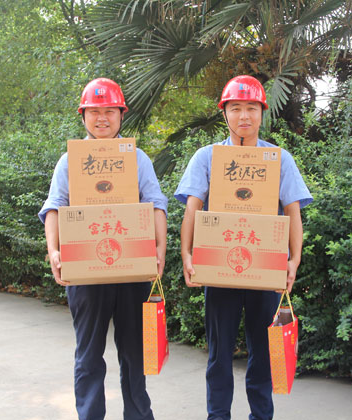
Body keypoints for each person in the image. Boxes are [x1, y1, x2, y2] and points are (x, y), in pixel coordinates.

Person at [174, 75, 313, 420]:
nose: (244, 116)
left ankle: (261, 416)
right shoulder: (207, 157)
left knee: (263, 353)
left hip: (266, 269)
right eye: (235, 108)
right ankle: (218, 415)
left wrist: (294, 260)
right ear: (224, 113)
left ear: (262, 112)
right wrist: (187, 254)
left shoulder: (278, 159)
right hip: (219, 268)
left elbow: (293, 211)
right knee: (219, 354)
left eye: (251, 108)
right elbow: (192, 208)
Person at [38, 78, 167, 420]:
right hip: (86, 271)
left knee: (134, 353)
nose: (102, 119)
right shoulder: (70, 161)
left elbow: (155, 203)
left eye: (110, 111)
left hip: (132, 270)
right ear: (83, 116)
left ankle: (138, 416)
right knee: (89, 354)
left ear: (122, 114)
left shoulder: (137, 159)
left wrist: (160, 248)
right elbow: (54, 206)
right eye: (94, 112)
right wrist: (54, 251)